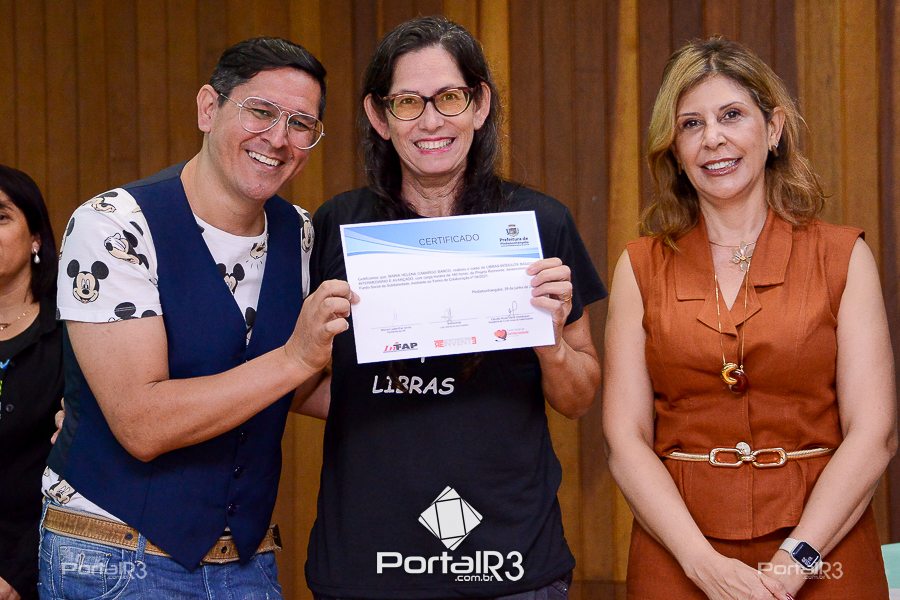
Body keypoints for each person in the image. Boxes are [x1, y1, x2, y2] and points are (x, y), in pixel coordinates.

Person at [302, 16, 606, 600]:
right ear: (379, 117)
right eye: (407, 103)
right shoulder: (338, 225)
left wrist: (550, 345)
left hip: (510, 560)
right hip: (370, 557)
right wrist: (383, 391)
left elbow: (579, 397)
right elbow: (296, 384)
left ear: (480, 104)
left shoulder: (539, 224)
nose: (431, 121)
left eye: (449, 97)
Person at [39, 37, 352, 599]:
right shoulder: (113, 225)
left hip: (246, 558)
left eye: (301, 123)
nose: (278, 138)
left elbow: (292, 387)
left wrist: (441, 386)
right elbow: (142, 425)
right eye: (260, 111)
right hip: (112, 553)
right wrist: (294, 359)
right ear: (209, 108)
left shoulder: (301, 233)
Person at [602, 36, 897, 599]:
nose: (712, 138)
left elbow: (874, 434)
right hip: (681, 554)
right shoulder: (639, 266)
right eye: (691, 124)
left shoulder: (843, 256)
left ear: (774, 128)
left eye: (731, 115)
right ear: (675, 149)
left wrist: (792, 566)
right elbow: (625, 437)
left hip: (824, 547)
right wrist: (703, 566)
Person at [0, 166, 61, 600]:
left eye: (0, 217)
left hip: (40, 566)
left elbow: (77, 468)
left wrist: (17, 572)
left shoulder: (71, 334)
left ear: (36, 237)